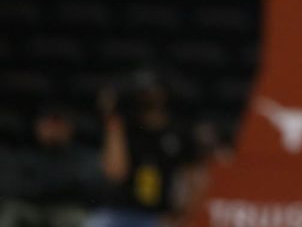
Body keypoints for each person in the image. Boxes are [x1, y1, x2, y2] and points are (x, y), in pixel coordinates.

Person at [84, 73, 200, 227]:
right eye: (143, 93)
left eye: (152, 92)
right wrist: (113, 121)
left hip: (157, 216)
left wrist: (181, 215)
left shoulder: (179, 132)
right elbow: (115, 172)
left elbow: (193, 179)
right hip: (117, 211)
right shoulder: (126, 128)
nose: (148, 98)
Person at [0, 102, 103, 227]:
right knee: (11, 211)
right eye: (48, 124)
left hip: (65, 209)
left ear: (70, 127)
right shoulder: (23, 154)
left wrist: (44, 186)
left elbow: (90, 190)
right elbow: (13, 188)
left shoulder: (83, 155)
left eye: (58, 124)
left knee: (84, 218)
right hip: (31, 208)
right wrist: (59, 185)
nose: (53, 130)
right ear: (38, 127)